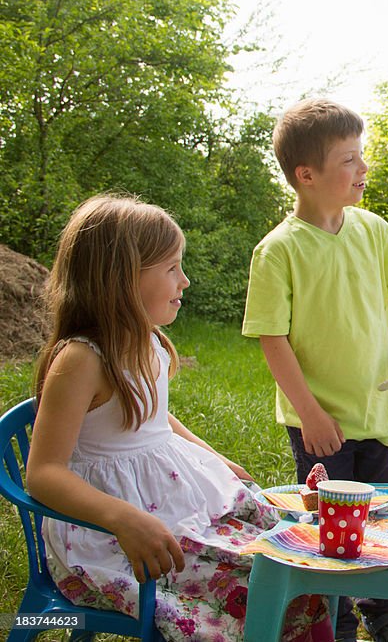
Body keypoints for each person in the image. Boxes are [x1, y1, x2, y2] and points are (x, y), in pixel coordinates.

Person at [25, 195, 331, 642]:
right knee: (257, 588)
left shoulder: (147, 342)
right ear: (120, 279)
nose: (184, 280)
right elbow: (43, 473)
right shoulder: (80, 361)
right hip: (108, 538)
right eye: (171, 268)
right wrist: (123, 519)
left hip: (171, 503)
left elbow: (157, 419)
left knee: (295, 556)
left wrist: (213, 457)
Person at [242, 98, 388, 642]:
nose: (363, 169)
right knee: (330, 525)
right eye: (349, 159)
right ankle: (335, 620)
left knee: (380, 517)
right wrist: (310, 414)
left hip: (377, 410)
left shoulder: (374, 230)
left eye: (361, 156)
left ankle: (385, 613)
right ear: (307, 174)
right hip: (320, 421)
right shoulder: (277, 251)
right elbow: (272, 339)